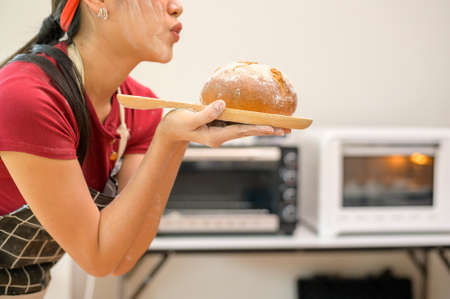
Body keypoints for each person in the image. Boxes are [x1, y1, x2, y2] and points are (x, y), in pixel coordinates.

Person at [0, 0, 288, 297]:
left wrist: (175, 140)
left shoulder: (138, 107)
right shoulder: (28, 96)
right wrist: (166, 139)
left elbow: (121, 258)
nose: (176, 7)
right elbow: (97, 258)